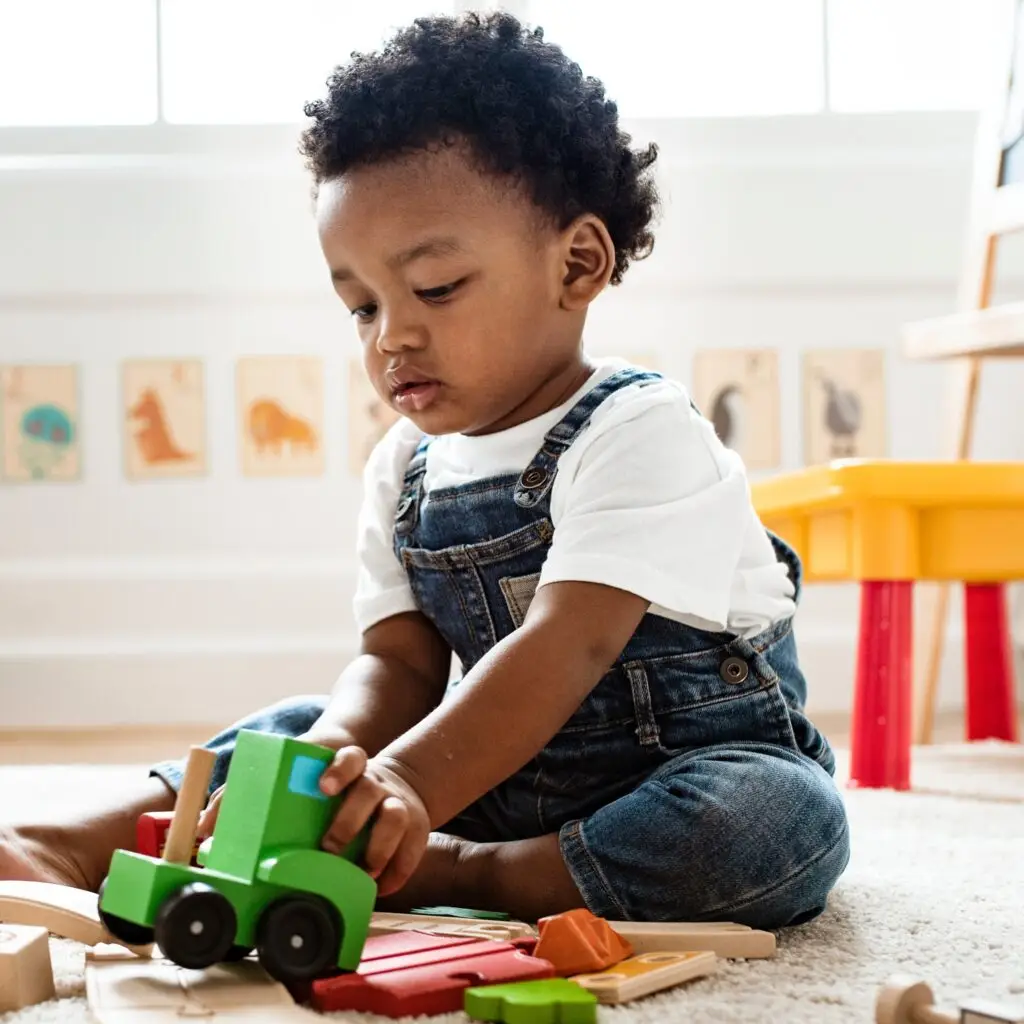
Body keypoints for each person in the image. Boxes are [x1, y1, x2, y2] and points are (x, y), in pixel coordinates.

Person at [0, 10, 849, 927]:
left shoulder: (640, 429)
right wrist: (333, 771)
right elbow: (398, 664)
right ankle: (79, 843)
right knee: (295, 728)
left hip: (673, 772)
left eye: (435, 288)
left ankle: (466, 876)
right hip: (483, 770)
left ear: (577, 264)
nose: (393, 335)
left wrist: (404, 783)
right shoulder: (404, 464)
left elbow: (570, 644)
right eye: (361, 306)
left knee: (775, 827)